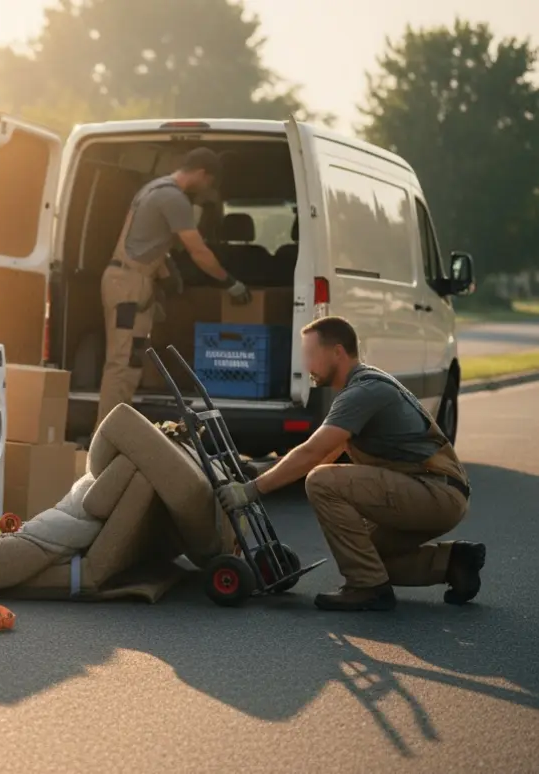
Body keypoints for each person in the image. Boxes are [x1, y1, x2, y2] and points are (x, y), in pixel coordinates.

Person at [216, 316, 483, 611]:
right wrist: (264, 470)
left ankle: (366, 587)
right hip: (438, 491)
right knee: (368, 556)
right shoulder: (363, 384)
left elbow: (313, 454)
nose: (305, 366)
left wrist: (251, 490)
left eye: (310, 355)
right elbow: (328, 450)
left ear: (337, 352)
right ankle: (455, 563)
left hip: (434, 493)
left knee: (321, 481)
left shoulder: (362, 393)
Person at [96, 147, 253, 429]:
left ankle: (117, 432)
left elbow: (152, 243)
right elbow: (198, 251)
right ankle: (106, 436)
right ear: (203, 174)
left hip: (130, 282)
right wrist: (230, 283)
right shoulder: (173, 198)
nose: (208, 189)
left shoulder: (154, 188)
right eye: (210, 183)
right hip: (129, 286)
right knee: (122, 364)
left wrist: (169, 276)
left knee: (130, 361)